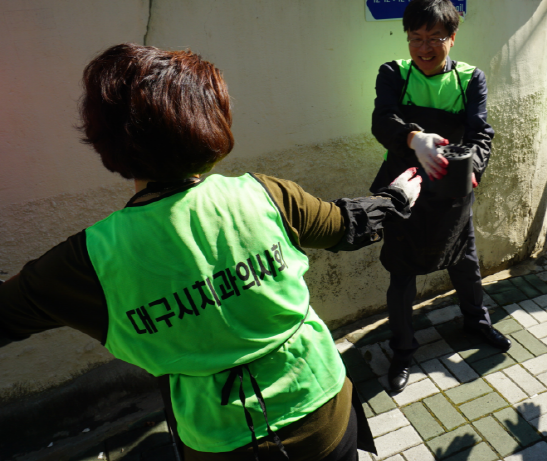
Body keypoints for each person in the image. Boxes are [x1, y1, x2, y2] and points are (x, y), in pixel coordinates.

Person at [0, 44, 425, 461]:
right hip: (325, 416)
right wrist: (396, 199)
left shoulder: (88, 262)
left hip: (217, 443)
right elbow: (344, 226)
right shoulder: (264, 195)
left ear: (104, 137)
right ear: (209, 120)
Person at [370, 0, 510, 395]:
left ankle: (477, 322)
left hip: (452, 189)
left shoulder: (470, 79)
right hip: (404, 189)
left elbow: (481, 132)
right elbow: (382, 119)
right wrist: (414, 139)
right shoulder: (394, 73)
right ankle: (402, 349)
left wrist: (473, 171)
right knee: (402, 272)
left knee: (464, 260)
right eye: (415, 38)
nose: (423, 48)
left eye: (434, 38)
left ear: (453, 36)